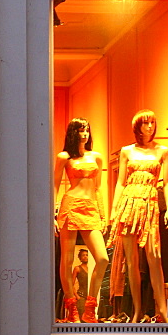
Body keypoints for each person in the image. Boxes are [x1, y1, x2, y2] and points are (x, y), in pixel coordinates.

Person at [108, 109, 168, 323]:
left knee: (155, 257)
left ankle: (162, 310)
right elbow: (120, 183)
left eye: (152, 123)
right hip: (129, 203)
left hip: (150, 204)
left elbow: (167, 182)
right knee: (131, 262)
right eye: (146, 123)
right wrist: (114, 210)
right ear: (138, 126)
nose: (150, 127)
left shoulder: (163, 151)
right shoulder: (127, 151)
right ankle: (136, 310)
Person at [54, 118, 109, 323]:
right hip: (70, 206)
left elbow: (98, 188)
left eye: (86, 130)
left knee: (102, 258)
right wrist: (53, 211)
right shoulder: (64, 157)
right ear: (72, 133)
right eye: (80, 130)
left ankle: (89, 306)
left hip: (91, 208)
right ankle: (72, 309)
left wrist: (102, 214)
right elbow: (55, 184)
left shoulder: (97, 157)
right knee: (67, 260)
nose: (84, 134)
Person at [73, 249, 90, 316]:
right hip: (81, 296)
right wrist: (77, 297)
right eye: (83, 255)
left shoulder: (92, 268)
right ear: (80, 258)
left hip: (90, 297)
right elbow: (71, 284)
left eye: (87, 255)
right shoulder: (77, 268)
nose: (85, 257)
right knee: (82, 318)